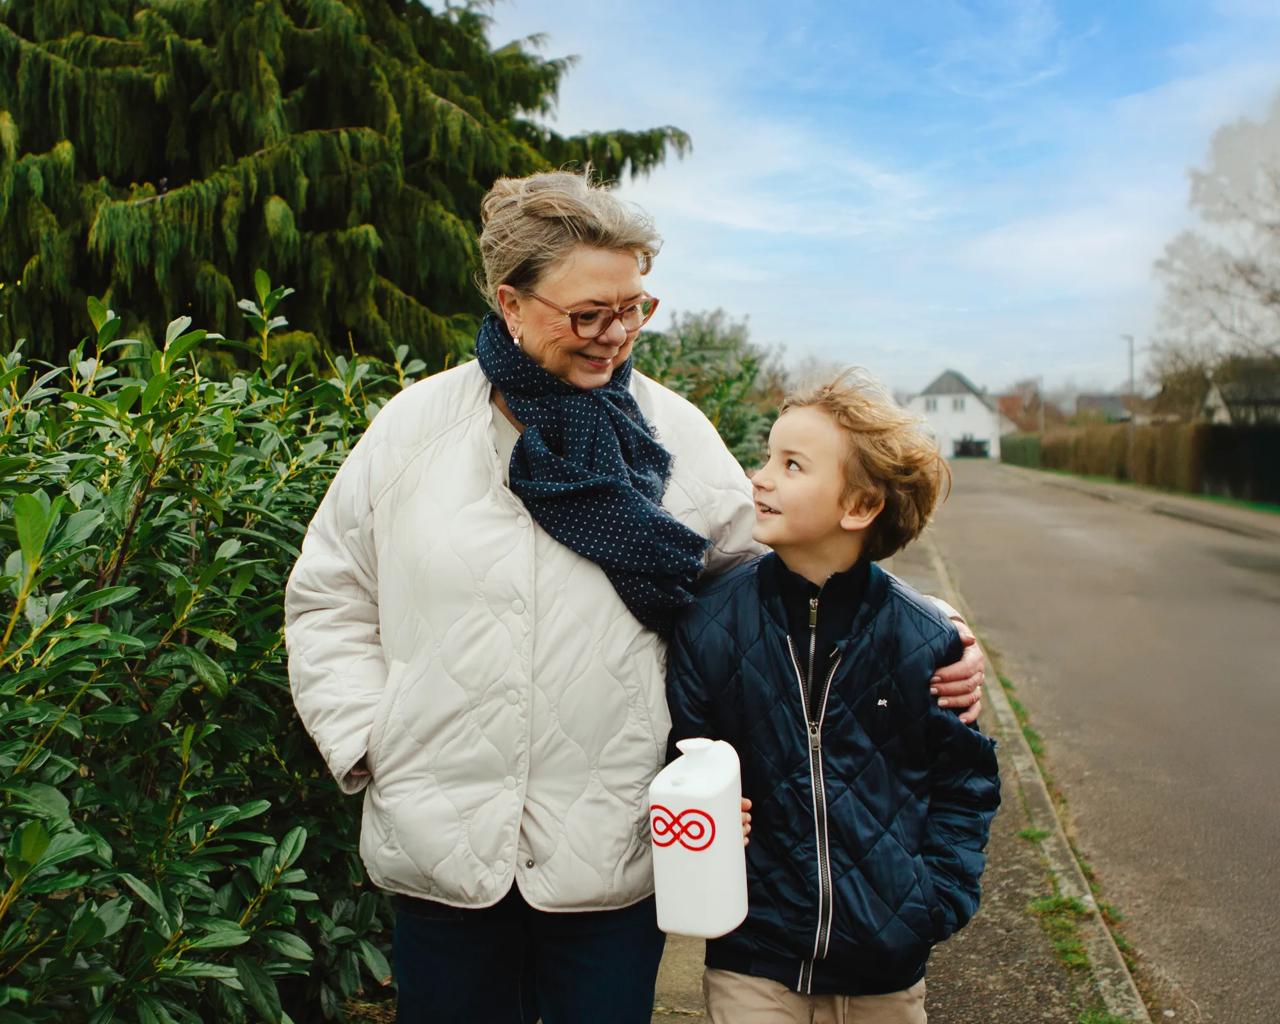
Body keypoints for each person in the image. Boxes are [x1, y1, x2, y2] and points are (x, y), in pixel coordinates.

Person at [284, 170, 985, 1024]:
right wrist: (370, 740)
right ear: (510, 303)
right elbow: (328, 597)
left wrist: (929, 627)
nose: (616, 335)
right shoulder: (413, 432)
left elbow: (778, 581)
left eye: (634, 308)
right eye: (588, 314)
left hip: (613, 856)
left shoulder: (676, 436)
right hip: (440, 845)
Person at [666, 370, 1001, 1024]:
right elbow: (678, 752)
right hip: (753, 958)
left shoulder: (925, 640)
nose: (759, 476)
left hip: (886, 972)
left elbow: (963, 780)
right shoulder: (710, 626)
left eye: (791, 465)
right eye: (766, 456)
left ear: (859, 507)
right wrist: (705, 813)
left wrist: (935, 901)